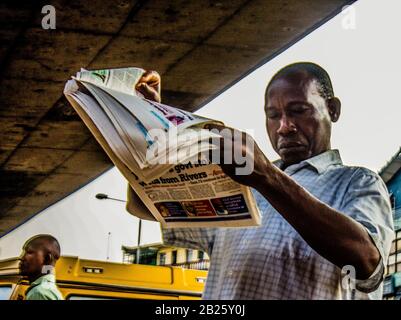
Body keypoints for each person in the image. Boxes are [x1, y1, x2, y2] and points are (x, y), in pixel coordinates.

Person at [130, 63, 394, 299]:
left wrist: (267, 177)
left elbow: (366, 260)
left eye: (298, 111)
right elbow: (147, 206)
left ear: (332, 109)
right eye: (273, 115)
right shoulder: (241, 184)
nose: (284, 126)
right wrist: (146, 123)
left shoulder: (357, 182)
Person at [19, 234, 64, 300]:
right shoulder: (48, 289)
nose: (21, 257)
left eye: (29, 252)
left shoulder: (39, 293)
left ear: (47, 259)